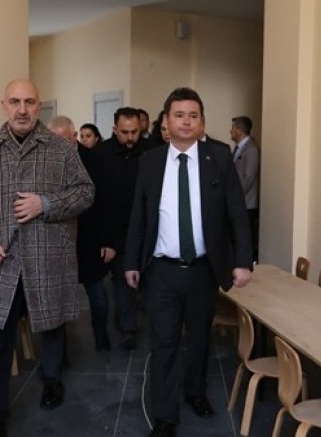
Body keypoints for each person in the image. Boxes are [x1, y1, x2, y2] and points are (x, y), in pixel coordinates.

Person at [0, 79, 94, 437]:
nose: (22, 109)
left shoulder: (61, 149)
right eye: (15, 102)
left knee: (51, 327)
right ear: (3, 105)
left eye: (30, 102)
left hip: (48, 257)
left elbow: (86, 192)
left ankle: (52, 380)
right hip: (3, 262)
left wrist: (46, 204)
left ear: (39, 106)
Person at [124, 87, 253, 437]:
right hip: (161, 270)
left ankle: (195, 391)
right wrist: (131, 261)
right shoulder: (150, 161)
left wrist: (243, 261)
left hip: (203, 271)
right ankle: (165, 416)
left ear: (202, 123)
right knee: (164, 342)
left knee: (199, 339)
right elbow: (139, 215)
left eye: (193, 116)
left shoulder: (219, 157)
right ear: (165, 122)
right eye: (179, 115)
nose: (186, 122)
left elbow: (237, 214)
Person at [48, 116, 115, 351]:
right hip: (58, 238)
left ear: (74, 136)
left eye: (64, 140)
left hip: (90, 238)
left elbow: (107, 202)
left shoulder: (95, 159)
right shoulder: (46, 162)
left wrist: (109, 241)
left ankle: (101, 336)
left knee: (97, 292)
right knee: (59, 298)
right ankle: (60, 349)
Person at [98, 106, 155, 350]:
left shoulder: (152, 151)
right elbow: (99, 200)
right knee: (123, 282)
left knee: (151, 281)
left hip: (148, 228)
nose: (131, 137)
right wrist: (106, 239)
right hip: (117, 230)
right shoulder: (101, 154)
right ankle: (127, 329)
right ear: (114, 129)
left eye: (135, 132)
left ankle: (158, 328)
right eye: (125, 132)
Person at [230, 116, 260, 262]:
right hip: (239, 202)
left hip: (247, 203)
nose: (230, 131)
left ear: (239, 130)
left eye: (233, 128)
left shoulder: (251, 149)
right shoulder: (237, 148)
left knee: (246, 236)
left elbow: (248, 178)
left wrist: (234, 196)